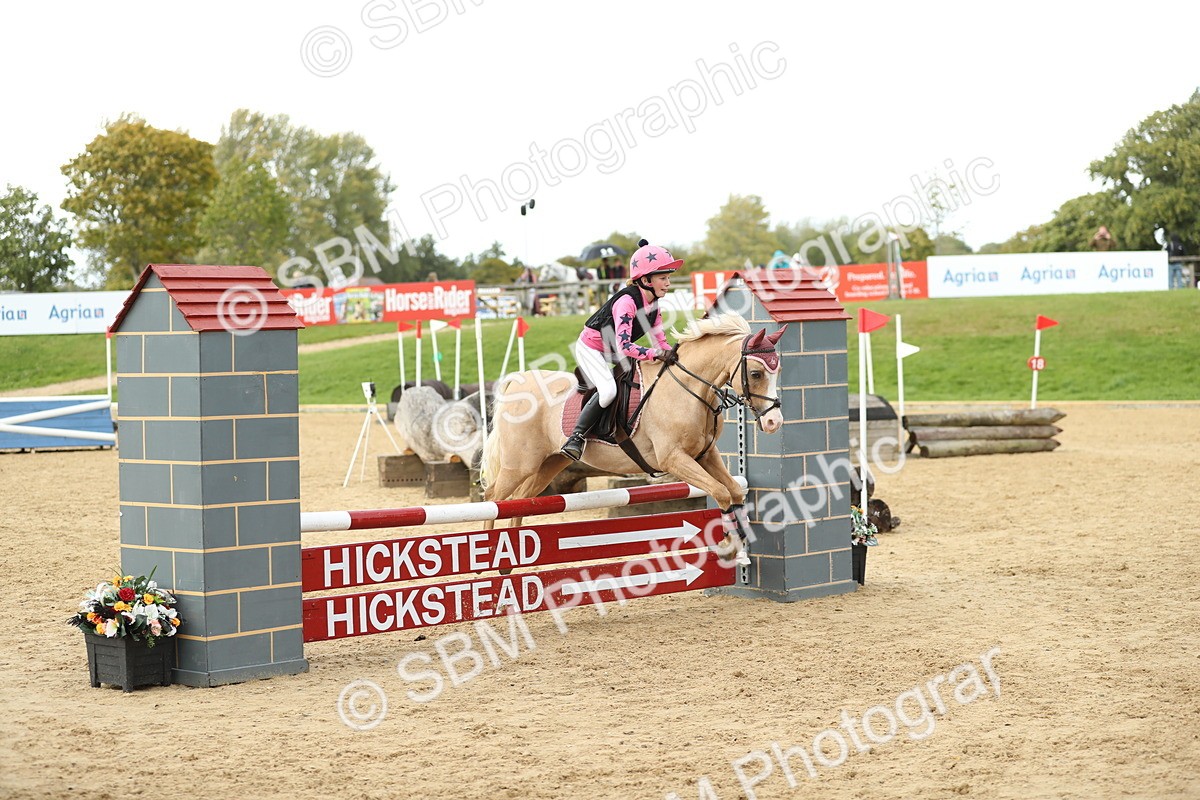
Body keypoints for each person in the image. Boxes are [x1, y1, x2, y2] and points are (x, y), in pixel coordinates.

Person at [560, 239, 680, 461]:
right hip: (592, 348)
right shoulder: (627, 302)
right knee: (608, 391)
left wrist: (674, 357)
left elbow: (661, 344)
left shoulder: (654, 306)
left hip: (615, 349)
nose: (668, 283)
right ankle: (576, 438)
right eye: (663, 278)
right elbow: (627, 346)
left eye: (668, 278)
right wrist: (655, 354)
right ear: (646, 280)